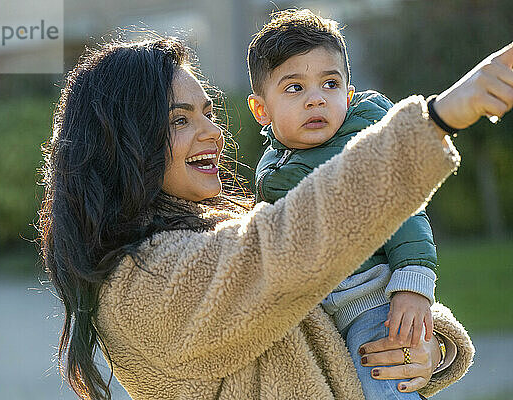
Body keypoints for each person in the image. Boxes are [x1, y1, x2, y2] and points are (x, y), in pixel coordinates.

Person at [38, 34, 513, 400]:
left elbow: (334, 306)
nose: (213, 134)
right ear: (124, 145)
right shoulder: (139, 286)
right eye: (179, 120)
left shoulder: (217, 228)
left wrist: (422, 348)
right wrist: (440, 117)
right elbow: (286, 250)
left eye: (208, 113)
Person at [247, 10, 437, 399]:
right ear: (262, 111)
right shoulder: (272, 172)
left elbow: (403, 207)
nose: (316, 99)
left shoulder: (364, 141)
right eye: (294, 88)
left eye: (329, 84)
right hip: (322, 317)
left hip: (373, 302)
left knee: (384, 380)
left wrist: (413, 284)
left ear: (348, 95)